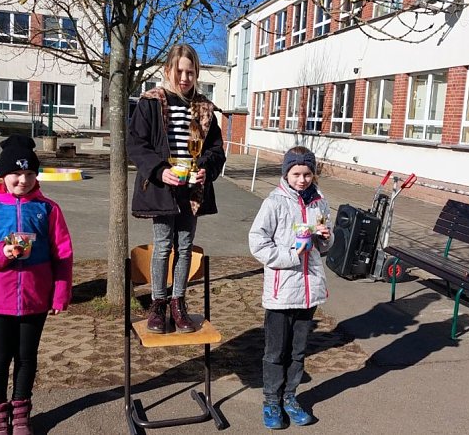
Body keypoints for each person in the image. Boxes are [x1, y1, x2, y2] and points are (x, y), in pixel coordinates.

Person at [0, 135, 73, 435]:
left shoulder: (48, 209)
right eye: (16, 174)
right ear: (3, 175)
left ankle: (21, 413)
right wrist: (2, 253)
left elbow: (63, 253)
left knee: (27, 357)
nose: (22, 180)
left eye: (29, 174)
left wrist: (60, 294)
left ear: (36, 175)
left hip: (36, 298)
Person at [126, 44, 226, 334]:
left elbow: (216, 149)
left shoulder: (203, 108)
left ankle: (177, 302)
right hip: (163, 186)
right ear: (168, 70)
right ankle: (157, 304)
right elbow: (137, 144)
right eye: (179, 71)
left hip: (192, 189)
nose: (185, 78)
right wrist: (159, 171)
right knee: (162, 246)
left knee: (184, 247)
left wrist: (207, 166)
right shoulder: (152, 102)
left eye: (190, 72)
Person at [248, 145, 332, 429]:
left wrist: (325, 237)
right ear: (286, 173)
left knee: (298, 351)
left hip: (309, 291)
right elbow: (257, 242)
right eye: (296, 173)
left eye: (307, 173)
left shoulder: (319, 202)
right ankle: (271, 401)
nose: (302, 179)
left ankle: (290, 398)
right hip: (281, 291)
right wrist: (289, 256)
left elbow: (324, 245)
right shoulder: (274, 202)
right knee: (276, 352)